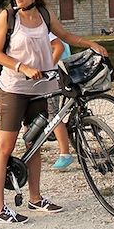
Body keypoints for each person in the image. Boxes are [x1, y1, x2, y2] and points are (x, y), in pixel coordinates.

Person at [0, 0, 108, 224]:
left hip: (40, 89)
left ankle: (35, 198)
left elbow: (65, 37)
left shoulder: (44, 15)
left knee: (35, 144)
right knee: (6, 147)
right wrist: (23, 67)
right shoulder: (7, 17)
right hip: (14, 89)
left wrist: (91, 44)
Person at [48, 34, 74, 169]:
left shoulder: (45, 30)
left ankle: (65, 153)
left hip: (53, 77)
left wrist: (46, 67)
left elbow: (59, 48)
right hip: (54, 76)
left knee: (53, 115)